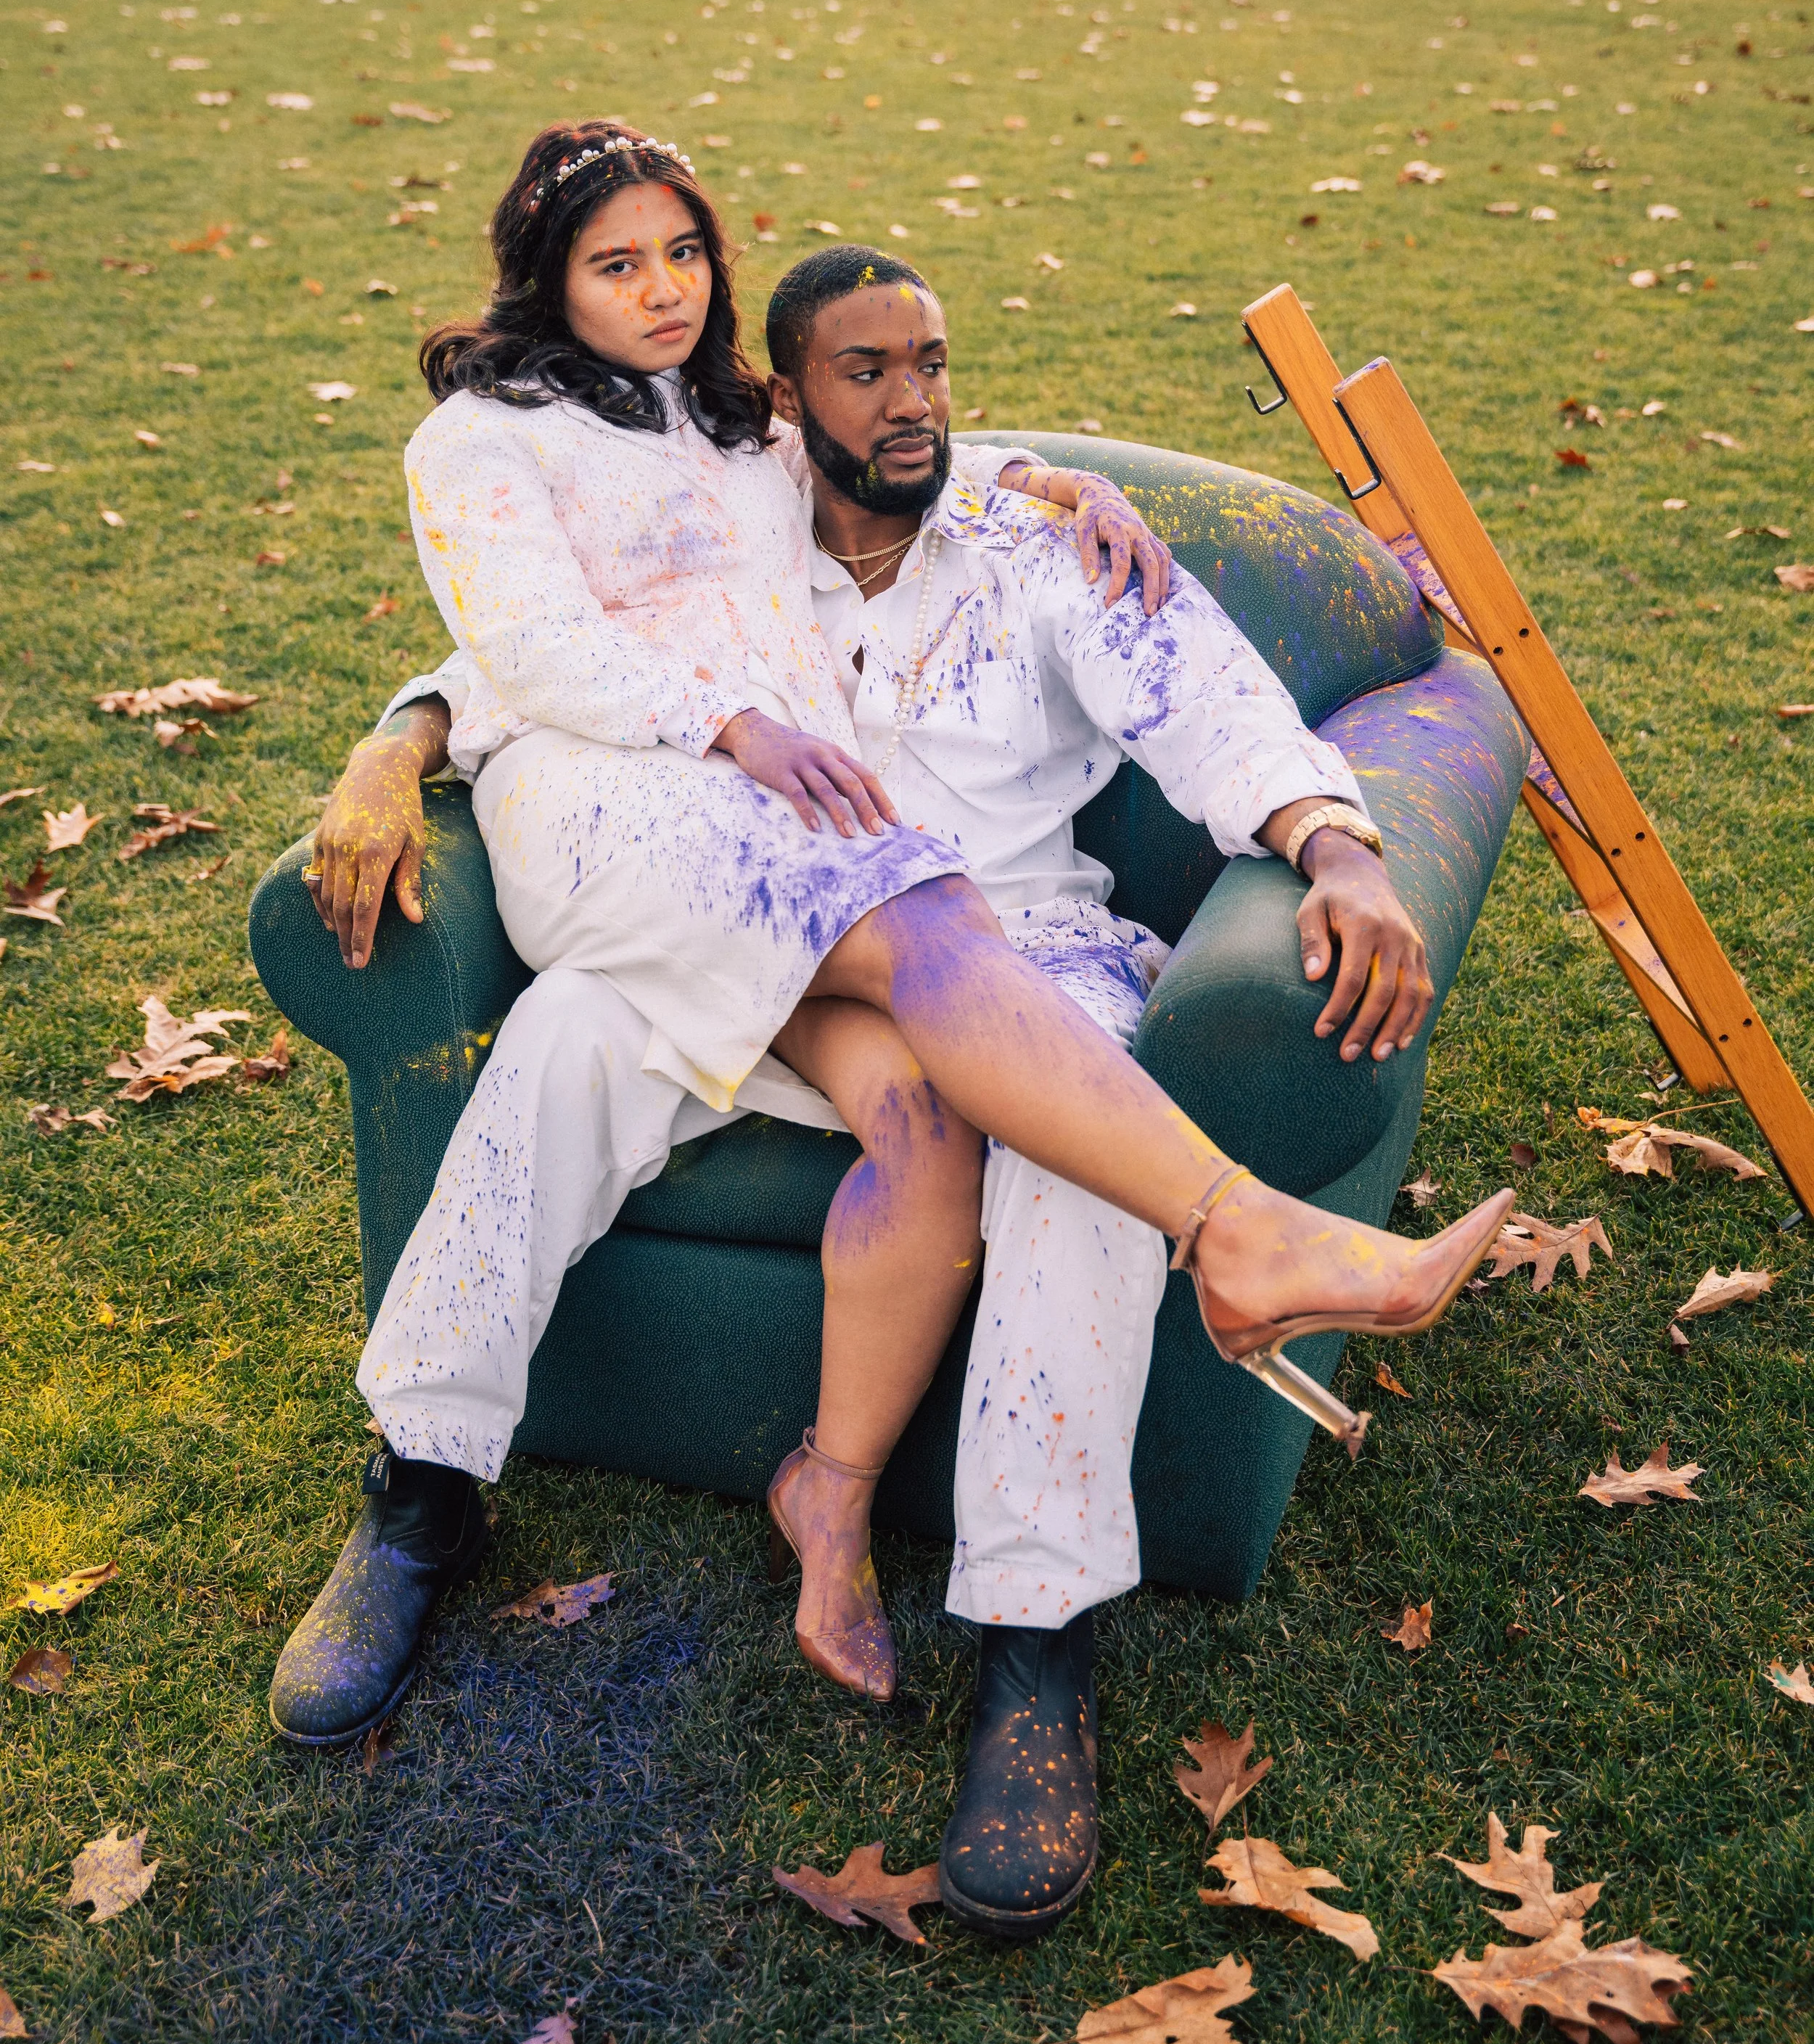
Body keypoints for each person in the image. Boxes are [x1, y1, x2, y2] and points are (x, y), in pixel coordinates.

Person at [279, 167, 1511, 1937]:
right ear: (788, 402)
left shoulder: (1036, 538)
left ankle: (1032, 1631)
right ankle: (418, 1489)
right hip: (745, 924)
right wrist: (395, 743)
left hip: (1014, 946)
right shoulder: (735, 497)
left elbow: (1210, 692)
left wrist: (1332, 843)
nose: (911, 399)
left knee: (1084, 1158)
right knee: (559, 1042)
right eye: (865, 372)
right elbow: (543, 646)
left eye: (934, 363)